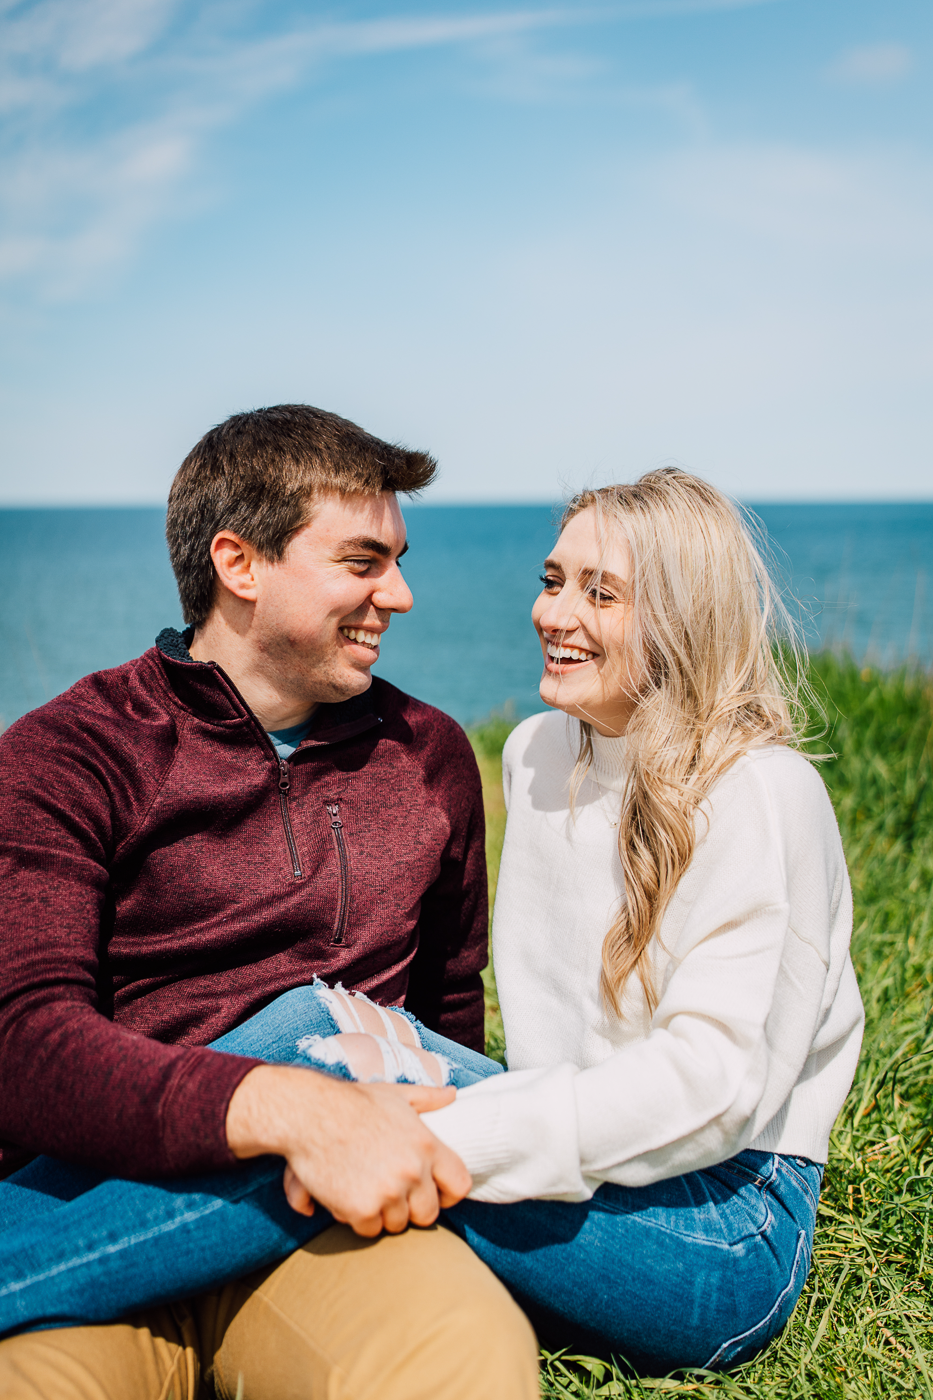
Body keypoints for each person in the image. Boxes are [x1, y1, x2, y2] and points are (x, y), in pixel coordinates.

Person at [2, 465, 864, 1374]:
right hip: (570, 1150)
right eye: (552, 579)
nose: (552, 613)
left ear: (682, 620)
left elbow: (713, 1091)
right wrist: (381, 1122)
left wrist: (429, 1134)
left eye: (600, 592)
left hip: (720, 1223)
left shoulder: (761, 792)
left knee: (317, 1041)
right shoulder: (540, 753)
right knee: (320, 1072)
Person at [0, 405, 539, 1399]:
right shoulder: (64, 753)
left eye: (400, 559)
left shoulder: (432, 756)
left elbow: (445, 1010)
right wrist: (284, 1104)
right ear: (240, 564)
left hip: (331, 1230)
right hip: (99, 1215)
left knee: (463, 1362)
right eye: (364, 561)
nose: (403, 594)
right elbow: (24, 1043)